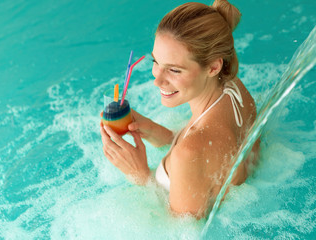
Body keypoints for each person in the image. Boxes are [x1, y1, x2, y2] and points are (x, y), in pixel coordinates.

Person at [100, 0, 259, 218]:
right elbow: (211, 160)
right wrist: (156, 131)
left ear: (213, 66)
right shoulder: (233, 87)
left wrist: (140, 176)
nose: (157, 80)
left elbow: (181, 230)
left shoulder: (189, 152)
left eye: (174, 70)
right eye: (156, 62)